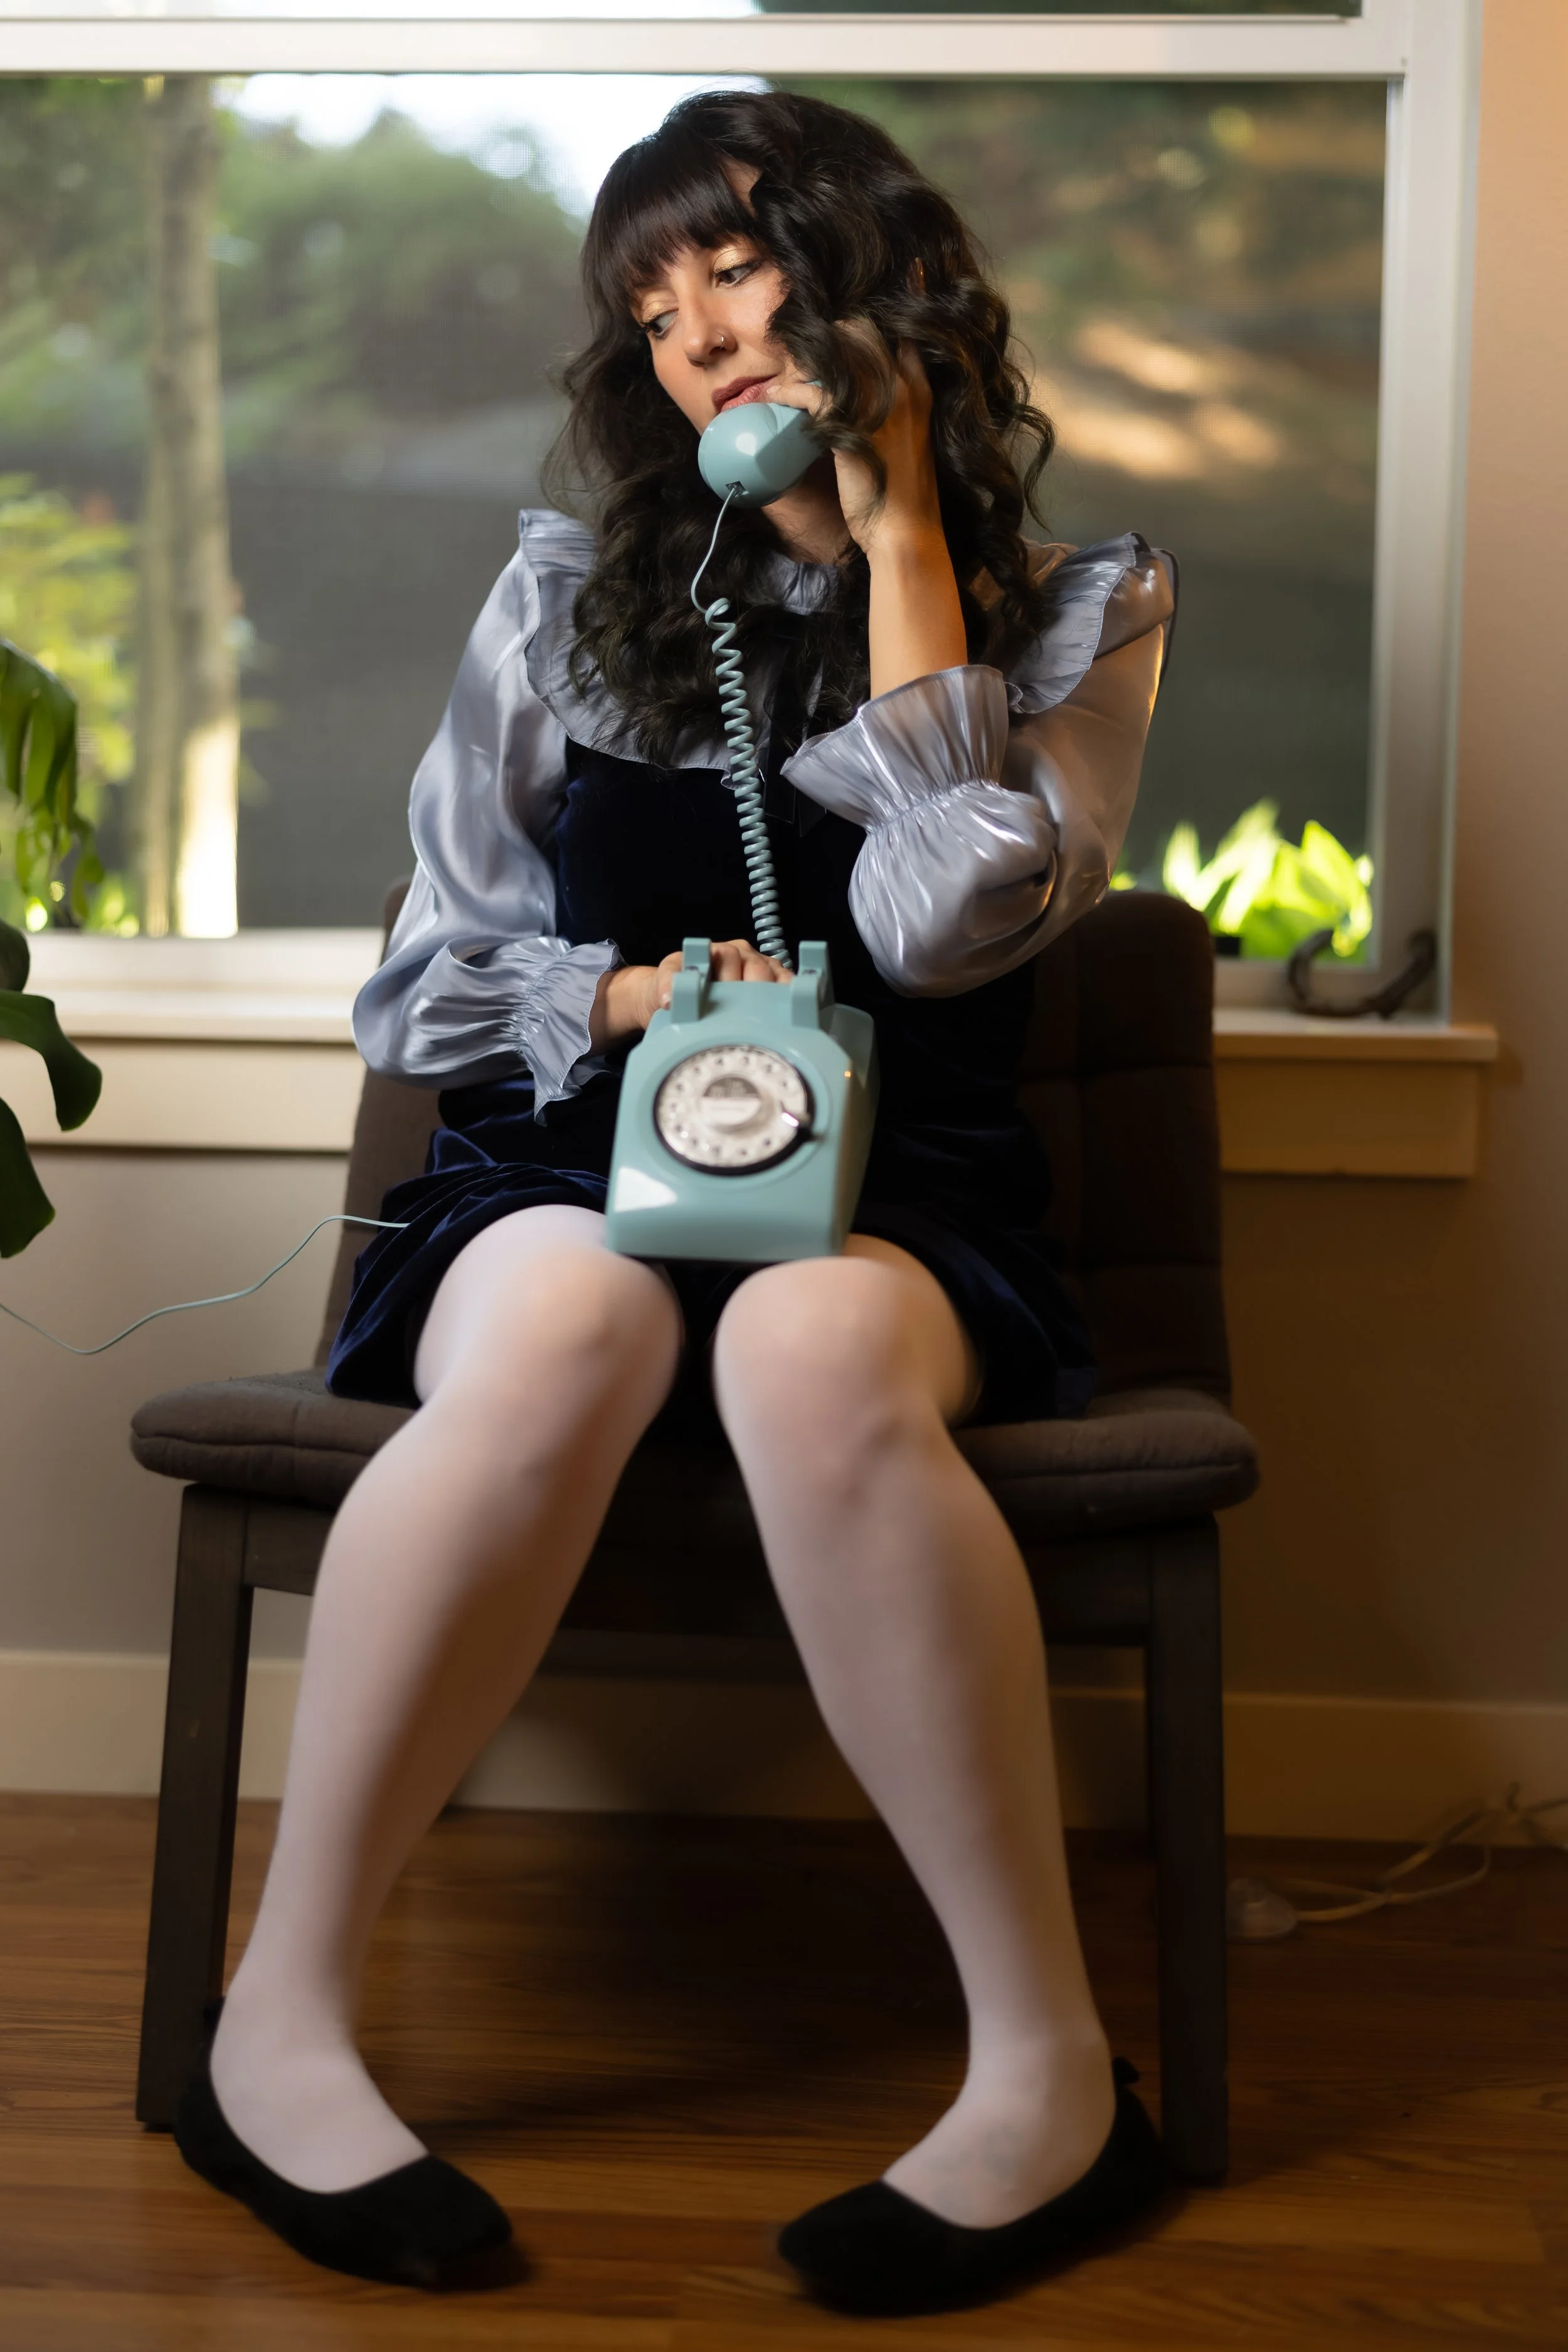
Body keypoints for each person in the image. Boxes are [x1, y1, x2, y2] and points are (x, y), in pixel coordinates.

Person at [173, 88, 1177, 2316]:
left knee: (810, 1340)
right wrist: (625, 990)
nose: (699, 336)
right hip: (572, 1161)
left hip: (902, 1192)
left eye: (733, 268)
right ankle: (278, 2023)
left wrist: (896, 529)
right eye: (652, 310)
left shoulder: (1081, 612)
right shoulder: (570, 595)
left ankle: (1046, 2072)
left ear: (869, 278)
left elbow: (940, 935)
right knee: (569, 1319)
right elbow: (424, 984)